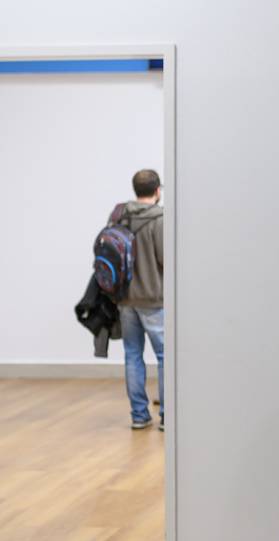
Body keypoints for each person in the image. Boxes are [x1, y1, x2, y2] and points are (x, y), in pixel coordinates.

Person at [113, 169, 165, 430]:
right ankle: (167, 416)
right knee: (165, 356)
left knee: (132, 355)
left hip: (125, 299)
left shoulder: (119, 215)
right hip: (153, 299)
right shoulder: (160, 219)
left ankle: (139, 416)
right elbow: (166, 259)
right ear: (157, 191)